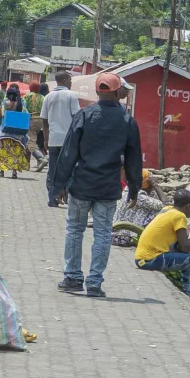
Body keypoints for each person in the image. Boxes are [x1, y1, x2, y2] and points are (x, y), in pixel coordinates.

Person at [51, 72, 142, 299]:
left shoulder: (84, 115)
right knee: (102, 234)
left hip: (81, 183)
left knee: (75, 230)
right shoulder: (127, 121)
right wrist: (134, 188)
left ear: (98, 91)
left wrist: (59, 185)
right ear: (117, 92)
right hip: (108, 187)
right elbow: (133, 159)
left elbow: (69, 153)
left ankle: (72, 278)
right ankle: (94, 282)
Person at [134, 189, 190, 310]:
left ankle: (189, 295)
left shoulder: (168, 210)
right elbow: (185, 248)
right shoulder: (180, 216)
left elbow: (181, 247)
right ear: (188, 206)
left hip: (142, 258)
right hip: (152, 258)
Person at [41, 71, 79, 206]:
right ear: (64, 80)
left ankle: (53, 198)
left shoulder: (48, 97)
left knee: (53, 170)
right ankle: (68, 198)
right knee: (69, 170)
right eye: (70, 80)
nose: (71, 83)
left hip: (52, 140)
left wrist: (46, 139)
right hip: (68, 141)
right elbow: (76, 118)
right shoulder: (72, 95)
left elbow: (44, 121)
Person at [26, 82, 49, 170]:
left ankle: (41, 158)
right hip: (40, 121)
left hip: (30, 119)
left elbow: (24, 108)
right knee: (33, 139)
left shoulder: (27, 96)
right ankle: (28, 164)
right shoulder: (43, 97)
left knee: (31, 141)